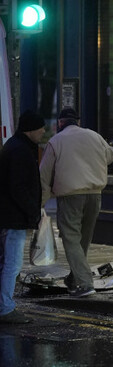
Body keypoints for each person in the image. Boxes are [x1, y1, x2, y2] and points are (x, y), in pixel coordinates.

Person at [40, 108, 113, 298]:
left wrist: (41, 203)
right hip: (94, 194)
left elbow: (43, 175)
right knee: (83, 239)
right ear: (78, 122)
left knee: (71, 239)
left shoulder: (56, 141)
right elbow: (111, 154)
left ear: (60, 123)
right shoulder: (94, 136)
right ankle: (74, 278)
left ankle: (85, 283)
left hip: (70, 196)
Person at [0, 110, 46, 323]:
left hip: (11, 216)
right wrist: (32, 212)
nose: (43, 131)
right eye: (40, 128)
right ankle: (6, 308)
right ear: (30, 129)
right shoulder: (20, 151)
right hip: (14, 218)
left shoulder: (15, 146)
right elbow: (18, 187)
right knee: (12, 264)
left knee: (7, 263)